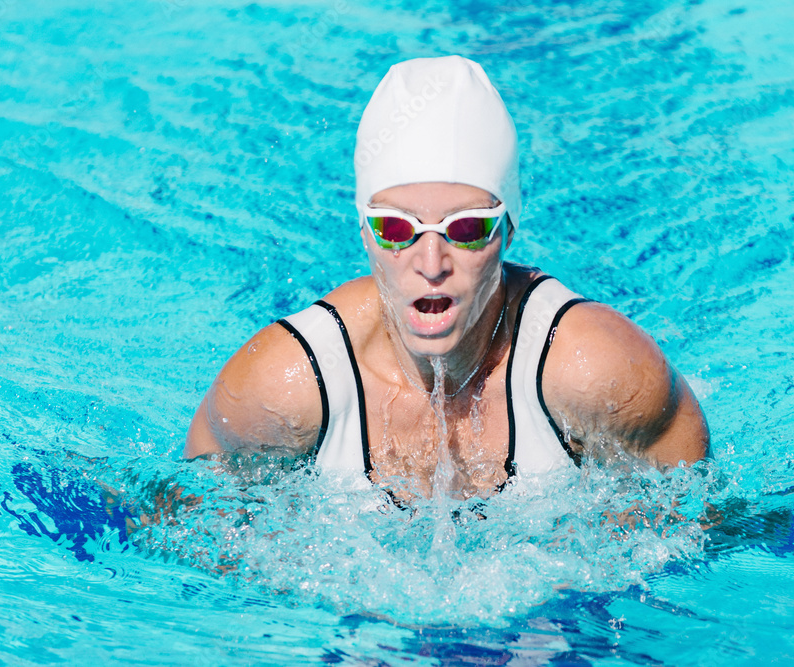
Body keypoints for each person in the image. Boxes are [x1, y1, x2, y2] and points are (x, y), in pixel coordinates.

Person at [184, 56, 709, 501]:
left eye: (466, 228)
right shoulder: (284, 384)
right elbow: (196, 525)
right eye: (395, 228)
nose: (431, 262)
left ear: (508, 228)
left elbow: (698, 525)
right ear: (364, 234)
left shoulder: (599, 372)